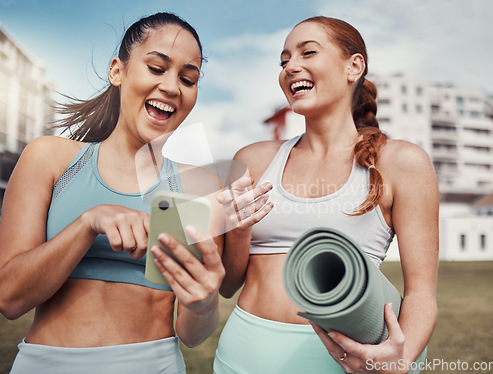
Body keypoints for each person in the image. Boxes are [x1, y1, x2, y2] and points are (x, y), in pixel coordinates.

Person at [0, 12, 225, 374]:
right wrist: (89, 222)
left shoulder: (199, 187)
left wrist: (202, 304)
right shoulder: (50, 158)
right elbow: (10, 298)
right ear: (117, 71)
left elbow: (193, 334)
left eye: (187, 78)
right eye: (156, 68)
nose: (172, 87)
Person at [215, 16, 439, 374]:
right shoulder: (252, 159)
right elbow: (228, 284)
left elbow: (421, 295)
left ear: (354, 66)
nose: (291, 67)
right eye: (284, 60)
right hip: (244, 353)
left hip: (343, 364)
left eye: (308, 52)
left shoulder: (401, 163)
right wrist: (239, 232)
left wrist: (401, 357)